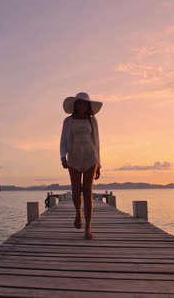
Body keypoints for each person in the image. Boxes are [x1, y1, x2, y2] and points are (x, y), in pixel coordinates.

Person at [60, 92, 102, 239]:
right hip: (74, 158)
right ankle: (78, 212)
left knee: (88, 192)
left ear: (88, 105)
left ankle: (88, 227)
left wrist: (100, 164)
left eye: (85, 103)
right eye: (80, 103)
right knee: (76, 191)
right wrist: (62, 156)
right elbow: (63, 140)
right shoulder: (68, 121)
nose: (82, 105)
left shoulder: (92, 121)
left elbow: (97, 143)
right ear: (76, 105)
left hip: (90, 158)